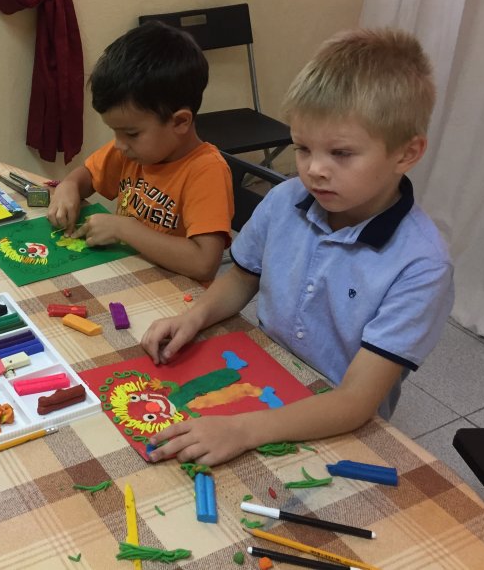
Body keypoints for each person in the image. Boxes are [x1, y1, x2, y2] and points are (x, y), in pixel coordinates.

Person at [141, 27, 454, 466]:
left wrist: (242, 430)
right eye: (303, 148)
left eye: (341, 153)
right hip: (261, 376)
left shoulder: (421, 264)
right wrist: (194, 317)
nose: (314, 170)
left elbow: (355, 402)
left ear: (406, 153)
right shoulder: (285, 199)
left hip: (333, 423)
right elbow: (242, 278)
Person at [47, 21, 233, 281]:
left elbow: (204, 263)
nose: (119, 144)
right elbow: (87, 175)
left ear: (180, 121)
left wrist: (124, 229)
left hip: (175, 292)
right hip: (129, 275)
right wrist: (69, 187)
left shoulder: (207, 171)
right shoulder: (133, 151)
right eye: (115, 132)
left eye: (131, 133)